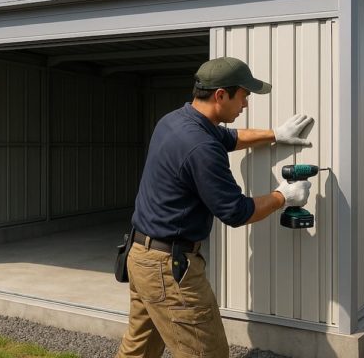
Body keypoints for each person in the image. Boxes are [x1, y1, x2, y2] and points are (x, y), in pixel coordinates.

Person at [115, 57, 314, 358]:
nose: (245, 104)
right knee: (207, 352)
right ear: (221, 95)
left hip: (141, 255)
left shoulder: (176, 120)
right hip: (168, 270)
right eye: (244, 96)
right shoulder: (201, 147)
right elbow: (236, 211)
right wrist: (282, 196)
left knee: (139, 350)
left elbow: (230, 138)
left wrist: (275, 134)